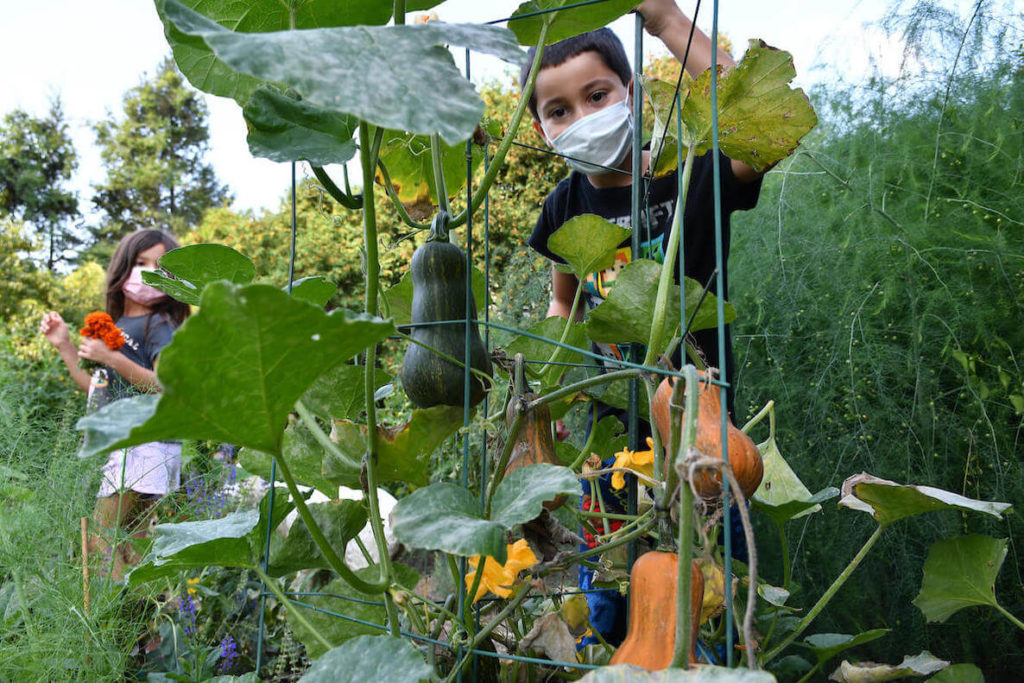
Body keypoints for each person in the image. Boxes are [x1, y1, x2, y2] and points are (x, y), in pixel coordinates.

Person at [519, 0, 766, 649]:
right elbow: (562, 305)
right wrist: (549, 388)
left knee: (711, 590)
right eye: (559, 110)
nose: (582, 117)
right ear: (542, 129)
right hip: (608, 444)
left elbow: (756, 128)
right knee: (615, 608)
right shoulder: (563, 207)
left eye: (597, 94)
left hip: (700, 435)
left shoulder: (689, 170)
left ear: (630, 90)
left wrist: (666, 21)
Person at [40, 229, 190, 581]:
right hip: (140, 443)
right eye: (141, 263)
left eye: (161, 268)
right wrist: (64, 345)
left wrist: (112, 357)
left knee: (100, 537)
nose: (149, 273)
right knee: (131, 542)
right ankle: (147, 628)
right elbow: (99, 389)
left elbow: (165, 387)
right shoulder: (123, 325)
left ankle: (119, 620)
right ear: (123, 267)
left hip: (143, 442)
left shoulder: (159, 325)